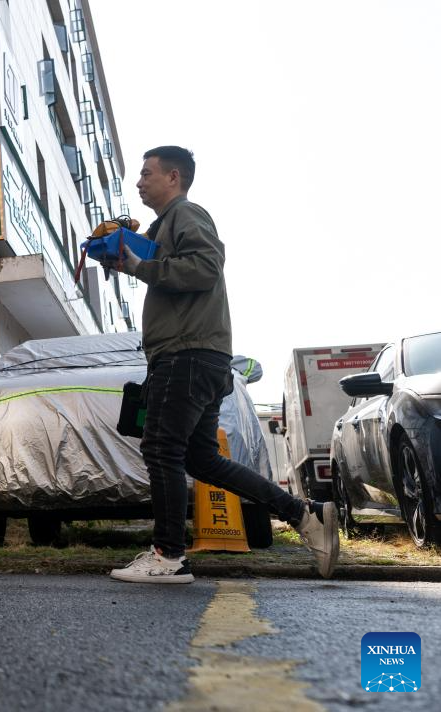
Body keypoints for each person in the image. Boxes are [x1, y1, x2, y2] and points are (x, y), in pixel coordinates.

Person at [105, 146, 338, 584]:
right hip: (197, 357)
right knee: (201, 460)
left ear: (173, 177)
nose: (138, 182)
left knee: (161, 449)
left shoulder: (187, 215)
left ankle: (168, 556)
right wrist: (133, 262)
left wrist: (142, 266)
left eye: (146, 174)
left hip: (186, 355)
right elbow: (173, 269)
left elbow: (206, 267)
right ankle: (305, 515)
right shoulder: (165, 225)